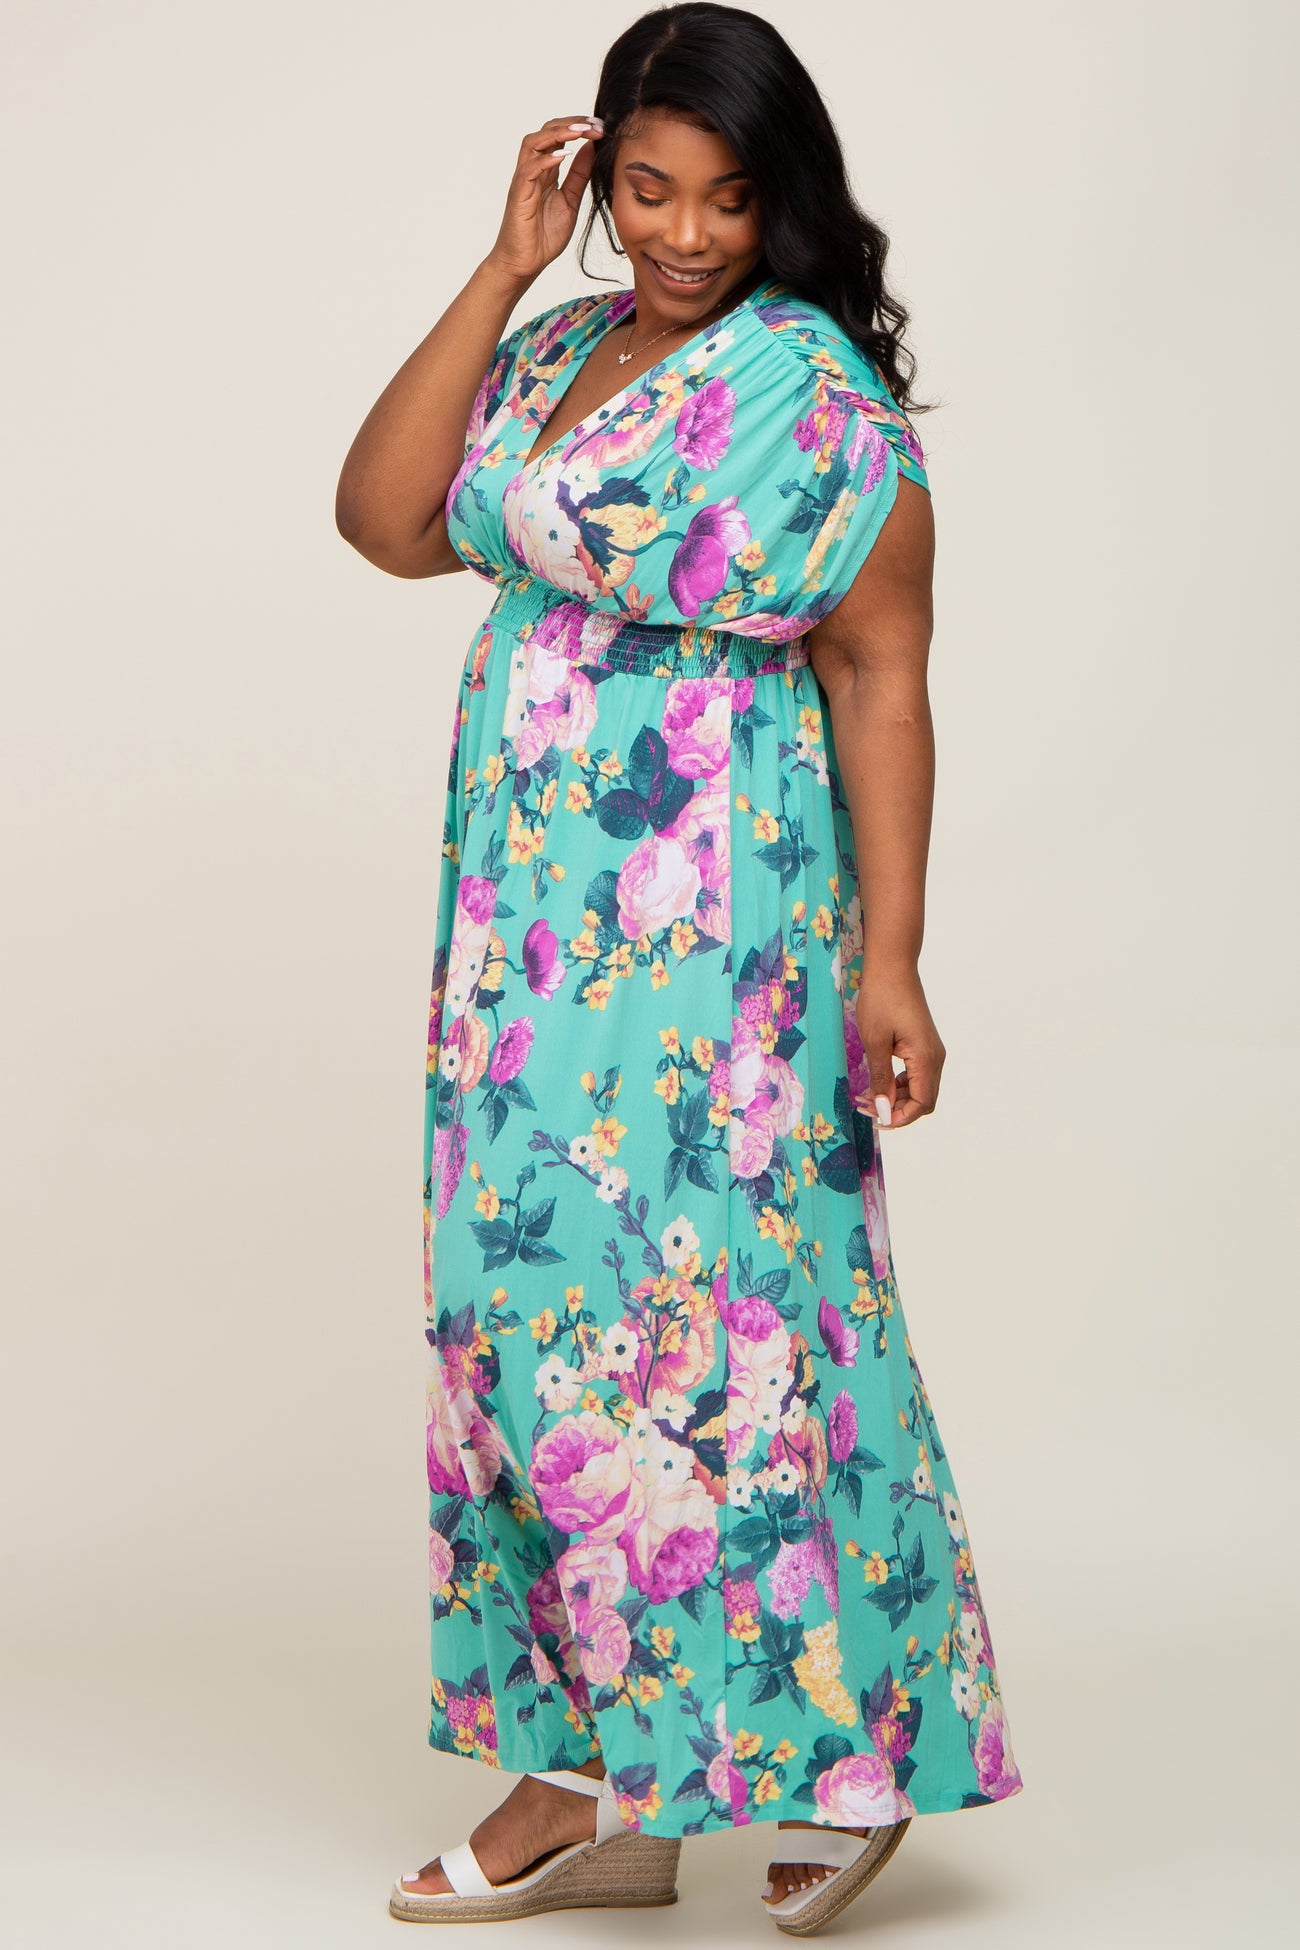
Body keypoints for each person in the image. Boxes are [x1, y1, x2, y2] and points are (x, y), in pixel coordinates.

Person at [336, 2, 1023, 1933]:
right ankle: (602, 1775)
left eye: (727, 196)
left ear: (780, 196)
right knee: (520, 1315)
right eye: (647, 189)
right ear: (598, 181)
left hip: (723, 926)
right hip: (525, 932)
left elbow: (882, 673)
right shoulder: (552, 347)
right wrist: (502, 265)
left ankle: (847, 1751)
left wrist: (898, 959)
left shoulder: (815, 398)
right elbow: (384, 521)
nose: (687, 233)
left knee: (744, 1313)